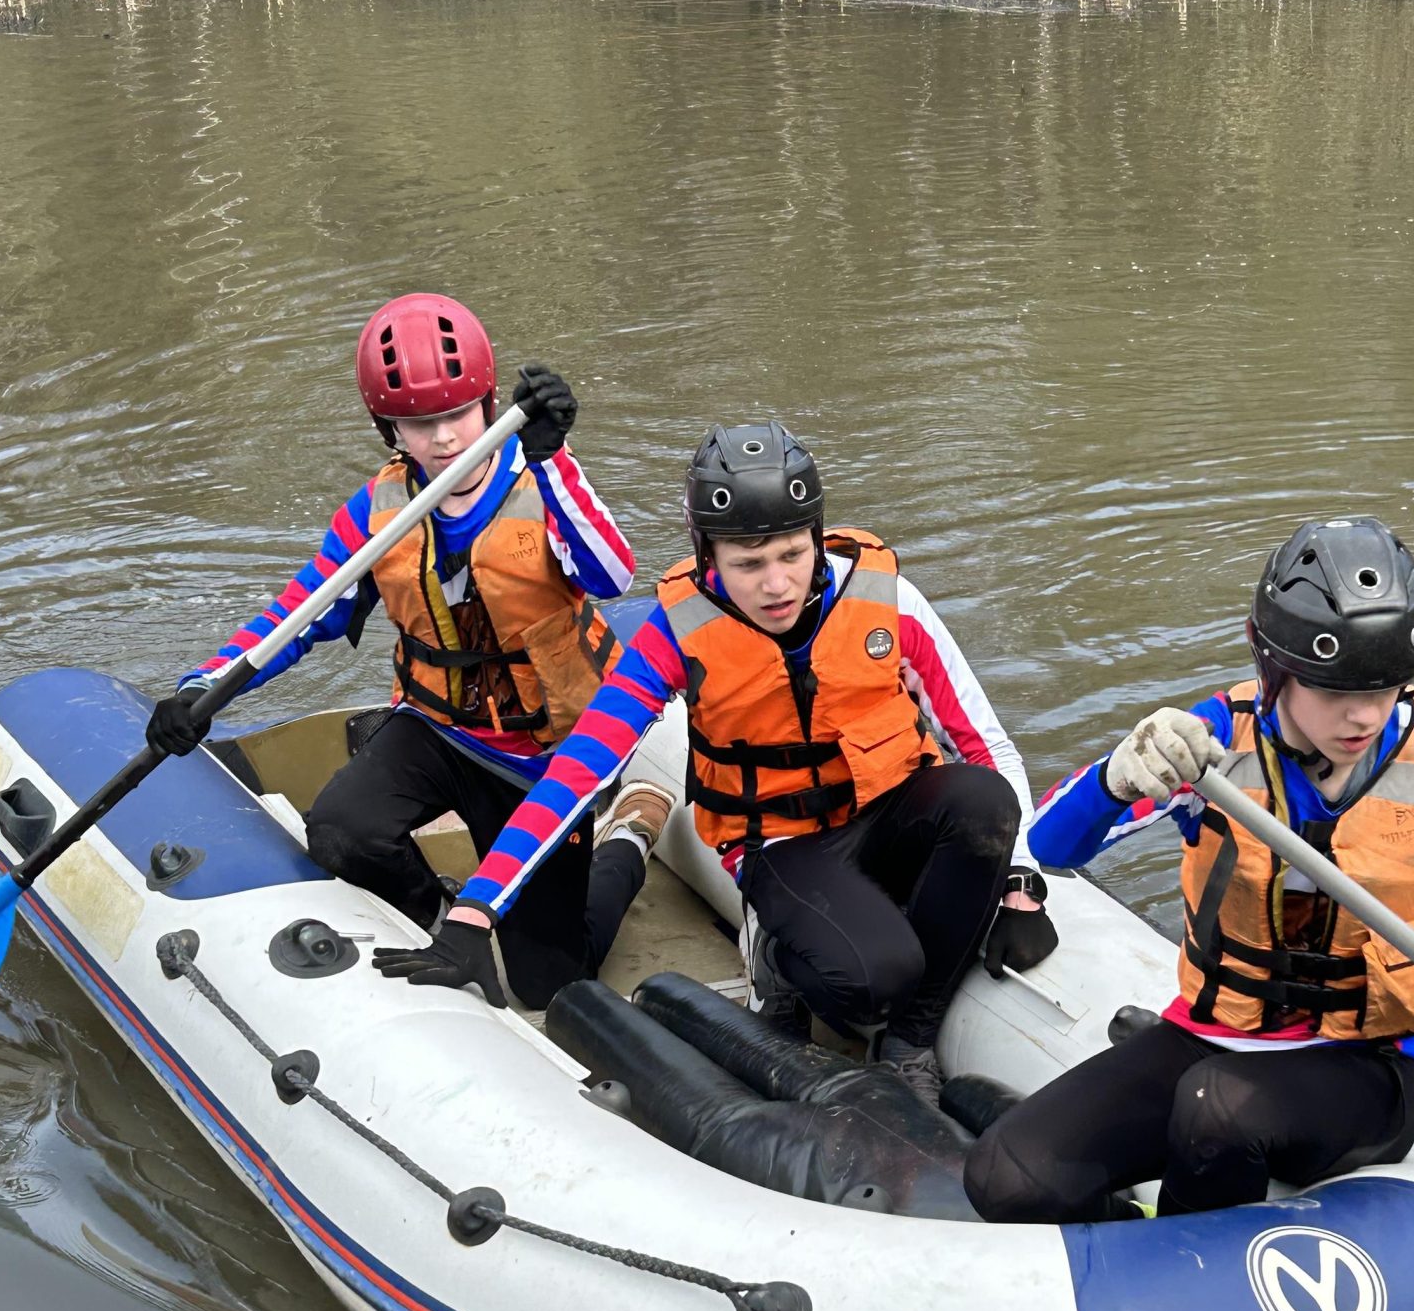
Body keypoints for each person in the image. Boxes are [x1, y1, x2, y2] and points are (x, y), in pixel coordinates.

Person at [965, 515, 1414, 1222]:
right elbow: (1055, 848)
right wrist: (1115, 778)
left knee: (1214, 1110)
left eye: (1385, 687)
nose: (1365, 715)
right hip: (1212, 1034)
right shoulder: (1214, 745)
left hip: (1366, 1068)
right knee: (1007, 1178)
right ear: (1272, 665)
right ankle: (1141, 1247)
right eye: (1337, 689)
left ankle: (1199, 1271)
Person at [375, 423, 1057, 1098]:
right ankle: (779, 957)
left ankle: (911, 1041)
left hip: (888, 811)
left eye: (792, 554)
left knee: (982, 803)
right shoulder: (675, 631)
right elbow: (579, 769)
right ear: (709, 558)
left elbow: (984, 742)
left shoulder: (886, 600)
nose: (777, 585)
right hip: (781, 843)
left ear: (817, 537)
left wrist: (1020, 878)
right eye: (749, 564)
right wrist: (476, 907)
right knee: (874, 979)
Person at [145, 291, 654, 1002]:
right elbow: (299, 615)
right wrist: (204, 686)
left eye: (457, 414)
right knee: (342, 830)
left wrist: (556, 457)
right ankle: (435, 918)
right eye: (420, 423)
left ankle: (629, 837)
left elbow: (613, 572)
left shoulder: (541, 479)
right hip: (435, 730)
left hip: (546, 750)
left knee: (553, 984)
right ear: (390, 428)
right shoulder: (376, 513)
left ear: (486, 404)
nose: (444, 438)